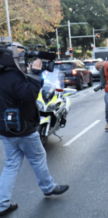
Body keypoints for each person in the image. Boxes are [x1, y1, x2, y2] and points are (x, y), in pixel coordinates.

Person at [0, 43, 69, 216]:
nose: (24, 60)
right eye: (21, 56)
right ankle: (48, 188)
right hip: (23, 128)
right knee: (38, 157)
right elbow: (30, 94)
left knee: (12, 164)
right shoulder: (14, 76)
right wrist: (36, 74)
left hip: (6, 129)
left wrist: (30, 73)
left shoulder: (4, 75)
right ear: (11, 57)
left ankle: (2, 203)